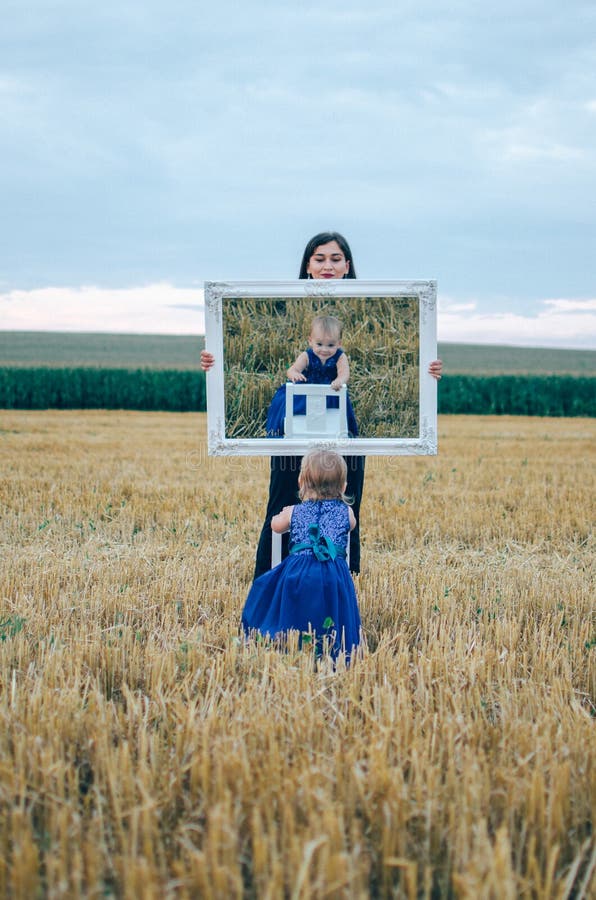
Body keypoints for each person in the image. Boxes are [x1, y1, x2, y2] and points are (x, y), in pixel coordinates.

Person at [200, 230, 442, 578]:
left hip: (338, 422)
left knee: (343, 504)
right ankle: (274, 577)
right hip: (297, 421)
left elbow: (350, 372)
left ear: (347, 266)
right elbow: (284, 367)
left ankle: (339, 581)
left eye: (335, 258)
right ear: (308, 266)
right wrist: (214, 365)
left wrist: (428, 372)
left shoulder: (361, 305)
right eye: (319, 258)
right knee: (285, 498)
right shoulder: (290, 304)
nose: (327, 265)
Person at [241, 449, 361, 661]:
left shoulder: (294, 510)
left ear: (300, 482)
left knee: (267, 590)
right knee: (334, 608)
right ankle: (334, 648)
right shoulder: (346, 512)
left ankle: (292, 642)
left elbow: (275, 526)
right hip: (333, 570)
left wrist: (281, 514)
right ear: (343, 486)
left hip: (301, 570)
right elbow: (352, 525)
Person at [265, 314, 358, 438]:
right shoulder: (307, 355)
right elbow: (292, 369)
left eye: (330, 345)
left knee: (336, 409)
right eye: (319, 344)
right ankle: (290, 430)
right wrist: (295, 374)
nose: (324, 349)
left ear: (339, 343)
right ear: (310, 341)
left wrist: (339, 380)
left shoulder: (340, 357)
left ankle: (336, 433)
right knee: (284, 400)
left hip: (331, 391)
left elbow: (344, 373)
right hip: (307, 389)